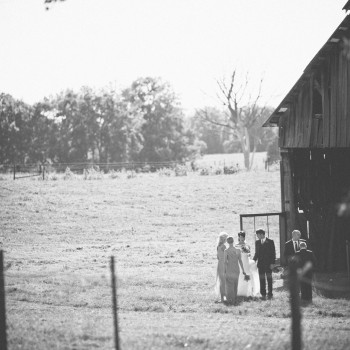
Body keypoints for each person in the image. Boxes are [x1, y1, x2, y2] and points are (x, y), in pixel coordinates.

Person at [253, 228, 276, 299]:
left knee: (269, 279)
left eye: (258, 235)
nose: (257, 236)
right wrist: (253, 261)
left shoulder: (270, 241)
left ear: (262, 234)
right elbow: (256, 253)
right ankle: (263, 293)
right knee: (261, 279)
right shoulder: (257, 242)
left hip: (269, 264)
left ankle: (270, 293)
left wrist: (272, 263)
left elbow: (273, 253)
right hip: (261, 264)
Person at [235, 231, 260, 297]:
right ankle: (239, 291)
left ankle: (248, 291)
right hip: (239, 262)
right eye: (241, 237)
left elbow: (249, 254)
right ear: (239, 237)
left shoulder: (247, 245)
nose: (242, 238)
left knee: (247, 275)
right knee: (240, 275)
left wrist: (248, 253)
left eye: (243, 237)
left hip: (246, 262)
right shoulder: (236, 245)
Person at [224, 236, 247, 305]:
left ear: (227, 242)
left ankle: (229, 299)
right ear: (233, 241)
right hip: (236, 269)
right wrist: (243, 270)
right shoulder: (238, 250)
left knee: (229, 285)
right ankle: (234, 299)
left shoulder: (226, 251)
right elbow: (240, 261)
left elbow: (225, 262)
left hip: (229, 269)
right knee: (235, 284)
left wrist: (224, 271)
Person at [214, 232, 228, 302]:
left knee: (221, 280)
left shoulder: (218, 246)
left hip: (219, 264)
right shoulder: (224, 246)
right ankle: (224, 297)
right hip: (224, 264)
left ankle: (222, 297)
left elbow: (218, 257)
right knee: (224, 281)